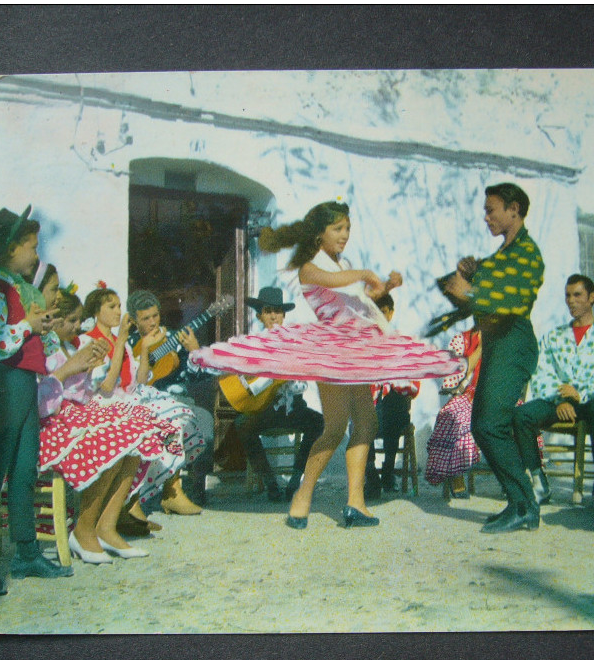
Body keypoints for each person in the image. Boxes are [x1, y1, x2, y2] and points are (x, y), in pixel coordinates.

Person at [191, 201, 462, 529]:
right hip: (333, 353)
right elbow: (334, 282)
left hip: (358, 350)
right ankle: (302, 499)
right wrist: (364, 274)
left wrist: (386, 287)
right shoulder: (310, 267)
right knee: (334, 429)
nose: (345, 235)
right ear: (319, 233)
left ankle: (355, 502)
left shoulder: (342, 264)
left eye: (347, 228)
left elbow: (358, 300)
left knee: (366, 424)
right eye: (337, 229)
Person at [38, 289, 182, 563]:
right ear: (54, 321)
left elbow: (84, 392)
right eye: (71, 321)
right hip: (55, 425)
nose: (77, 327)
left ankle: (107, 525)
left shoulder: (70, 346)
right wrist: (76, 369)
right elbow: (48, 400)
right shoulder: (48, 350)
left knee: (138, 432)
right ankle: (84, 529)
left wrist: (88, 369)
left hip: (77, 414)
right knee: (116, 439)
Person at [441, 183, 545, 533]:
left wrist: (470, 289)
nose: (486, 218)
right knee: (482, 425)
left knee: (490, 423)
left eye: (492, 210)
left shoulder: (528, 254)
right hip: (496, 343)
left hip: (514, 342)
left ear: (514, 209)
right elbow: (470, 300)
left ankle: (525, 505)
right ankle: (520, 503)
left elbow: (509, 302)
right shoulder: (500, 257)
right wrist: (464, 276)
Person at [0, 205, 72, 593]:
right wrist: (26, 326)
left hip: (25, 382)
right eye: (31, 247)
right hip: (5, 385)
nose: (36, 255)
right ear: (9, 249)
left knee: (24, 469)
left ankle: (26, 552)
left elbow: (18, 334)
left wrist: (40, 327)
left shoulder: (15, 289)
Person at [79, 285, 201, 522]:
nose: (118, 312)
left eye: (118, 306)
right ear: (96, 311)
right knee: (157, 425)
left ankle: (169, 489)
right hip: (104, 403)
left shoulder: (122, 343)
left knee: (176, 418)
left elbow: (141, 380)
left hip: (129, 396)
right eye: (112, 307)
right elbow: (105, 385)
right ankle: (132, 499)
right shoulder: (89, 340)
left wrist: (144, 349)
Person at [514, 274, 594, 511]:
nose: (571, 301)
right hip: (559, 402)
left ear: (592, 297)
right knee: (522, 415)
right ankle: (539, 481)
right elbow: (542, 373)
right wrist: (561, 400)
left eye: (577, 295)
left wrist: (580, 393)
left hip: (591, 402)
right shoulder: (553, 337)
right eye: (568, 295)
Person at [217, 286, 325, 502]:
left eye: (277, 311)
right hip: (266, 408)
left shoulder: (295, 343)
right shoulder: (253, 344)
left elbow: (303, 386)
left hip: (294, 407)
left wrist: (288, 379)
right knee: (242, 425)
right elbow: (240, 373)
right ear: (259, 315)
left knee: (319, 423)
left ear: (284, 315)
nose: (273, 316)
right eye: (268, 311)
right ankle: (270, 482)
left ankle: (296, 479)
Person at [126, 289, 215, 510]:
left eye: (155, 316)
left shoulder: (175, 338)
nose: (153, 322)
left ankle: (195, 488)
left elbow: (198, 377)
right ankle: (162, 493)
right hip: (143, 404)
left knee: (205, 428)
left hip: (181, 400)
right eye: (146, 318)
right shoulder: (129, 344)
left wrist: (195, 352)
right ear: (134, 320)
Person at [364, 294, 420, 500]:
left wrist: (395, 378)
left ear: (391, 313)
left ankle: (387, 472)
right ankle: (371, 476)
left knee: (393, 410)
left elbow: (413, 386)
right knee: (362, 420)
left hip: (393, 410)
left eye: (384, 311)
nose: (380, 315)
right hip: (371, 408)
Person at [424, 327, 483, 498]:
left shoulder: (504, 339)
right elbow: (458, 374)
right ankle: (456, 475)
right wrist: (481, 347)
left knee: (519, 413)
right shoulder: (461, 341)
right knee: (452, 416)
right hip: (470, 396)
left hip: (497, 396)